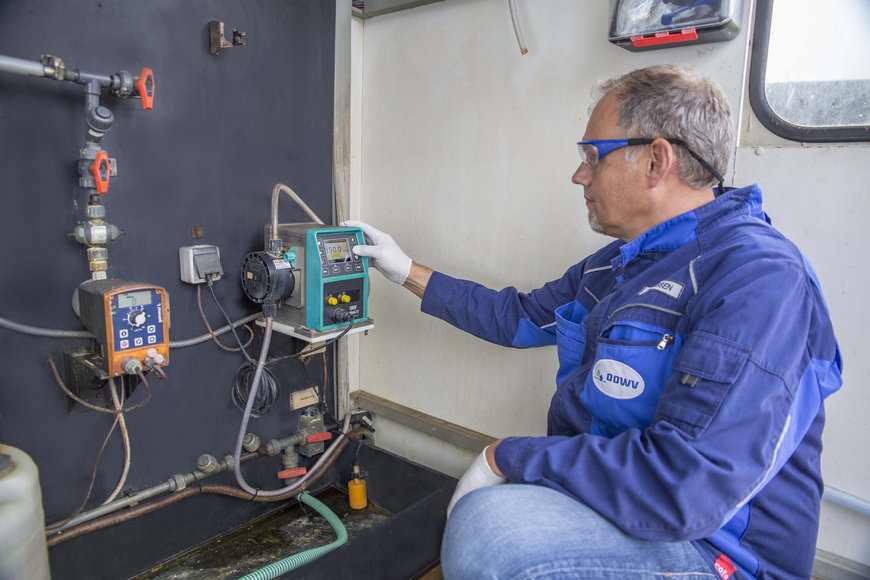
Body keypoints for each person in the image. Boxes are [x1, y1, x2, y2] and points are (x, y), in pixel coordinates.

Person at [343, 64, 842, 580]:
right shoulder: (614, 265)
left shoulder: (758, 277)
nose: (579, 176)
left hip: (713, 550)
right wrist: (404, 270)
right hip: (622, 505)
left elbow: (686, 488)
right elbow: (517, 317)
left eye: (591, 157)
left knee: (491, 535)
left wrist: (505, 458)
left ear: (656, 160)